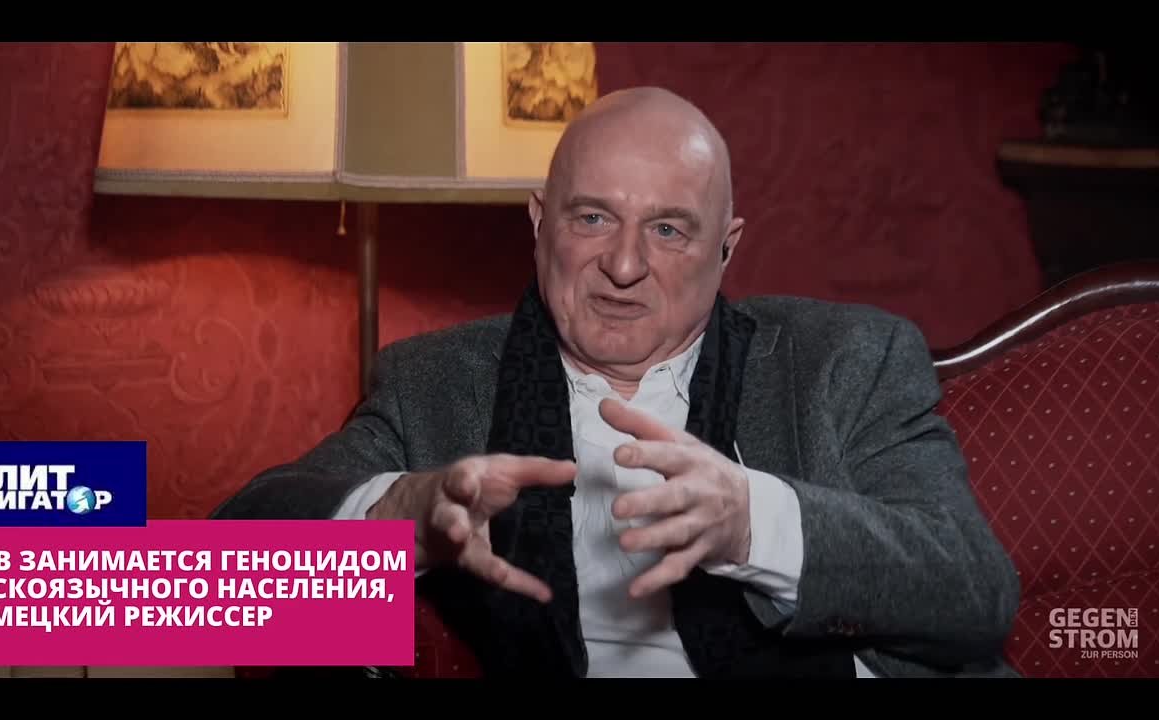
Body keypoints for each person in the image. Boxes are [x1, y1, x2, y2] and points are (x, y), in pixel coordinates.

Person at [211, 86, 1021, 678]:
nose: (625, 266)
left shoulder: (842, 360)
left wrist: (753, 523)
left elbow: (975, 592)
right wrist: (401, 519)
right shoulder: (439, 382)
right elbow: (209, 583)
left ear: (727, 247)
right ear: (539, 222)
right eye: (593, 218)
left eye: (668, 229)